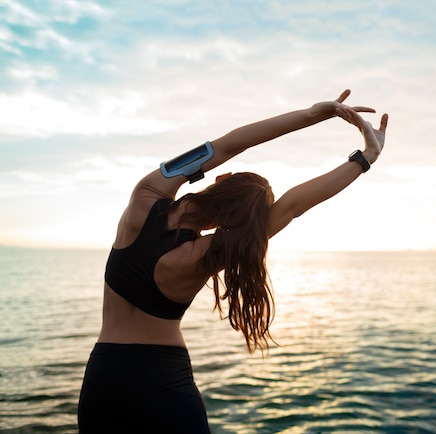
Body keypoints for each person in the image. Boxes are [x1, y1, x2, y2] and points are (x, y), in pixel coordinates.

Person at [77, 89, 388, 433]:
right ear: (240, 225)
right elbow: (291, 207)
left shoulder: (145, 197)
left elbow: (228, 145)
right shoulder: (208, 254)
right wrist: (366, 157)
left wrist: (315, 114)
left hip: (104, 379)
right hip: (165, 384)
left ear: (222, 178)